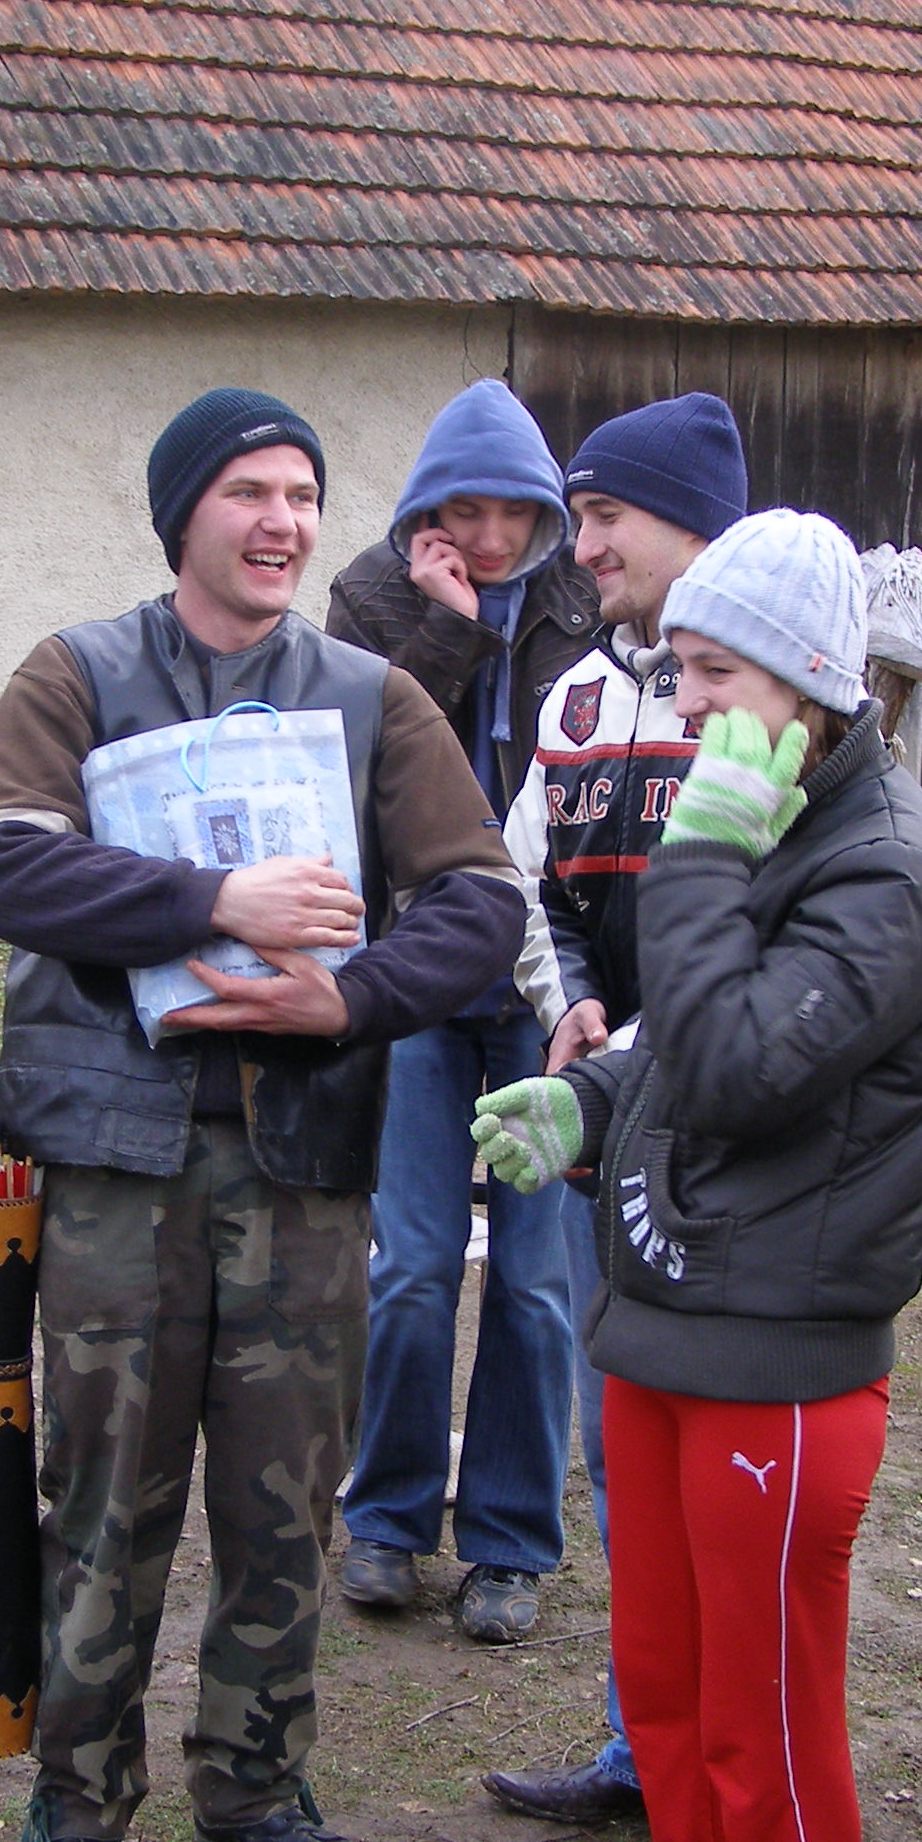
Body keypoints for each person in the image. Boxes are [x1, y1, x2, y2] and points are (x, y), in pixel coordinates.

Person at [0, 387, 527, 1842]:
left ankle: (257, 1791)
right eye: (249, 492)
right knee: (100, 1504)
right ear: (183, 516)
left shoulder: (372, 697)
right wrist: (219, 901)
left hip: (300, 1170)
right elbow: (7, 863)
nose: (283, 522)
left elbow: (481, 898)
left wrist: (348, 998)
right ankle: (78, 1809)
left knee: (285, 1506)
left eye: (301, 495)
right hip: (114, 1167)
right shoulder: (77, 673)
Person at [471, 510, 922, 1842]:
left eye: (711, 672)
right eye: (679, 668)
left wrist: (696, 857)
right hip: (670, 1316)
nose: (686, 701)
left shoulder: (887, 865)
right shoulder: (768, 812)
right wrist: (593, 1103)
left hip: (783, 1360)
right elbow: (681, 1045)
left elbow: (741, 1066)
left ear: (807, 679)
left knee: (765, 1730)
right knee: (673, 1694)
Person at [485, 391, 750, 1821]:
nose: (578, 546)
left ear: (692, 526)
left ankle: (722, 1768)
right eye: (577, 517)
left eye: (603, 517)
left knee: (722, 1475)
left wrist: (631, 1051)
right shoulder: (575, 702)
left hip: (734, 1153)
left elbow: (769, 930)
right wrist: (566, 1003)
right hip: (606, 1134)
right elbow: (533, 879)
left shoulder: (770, 701)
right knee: (622, 1455)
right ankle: (640, 1749)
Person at [324, 379, 600, 1640]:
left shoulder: (581, 598)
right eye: (466, 510)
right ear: (427, 506)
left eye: (514, 513)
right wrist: (446, 630)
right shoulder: (369, 599)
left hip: (544, 981)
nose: (489, 538)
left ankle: (508, 1545)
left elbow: (574, 767)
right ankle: (385, 1520)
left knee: (536, 1283)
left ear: (546, 513)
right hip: (418, 974)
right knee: (413, 1266)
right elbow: (363, 765)